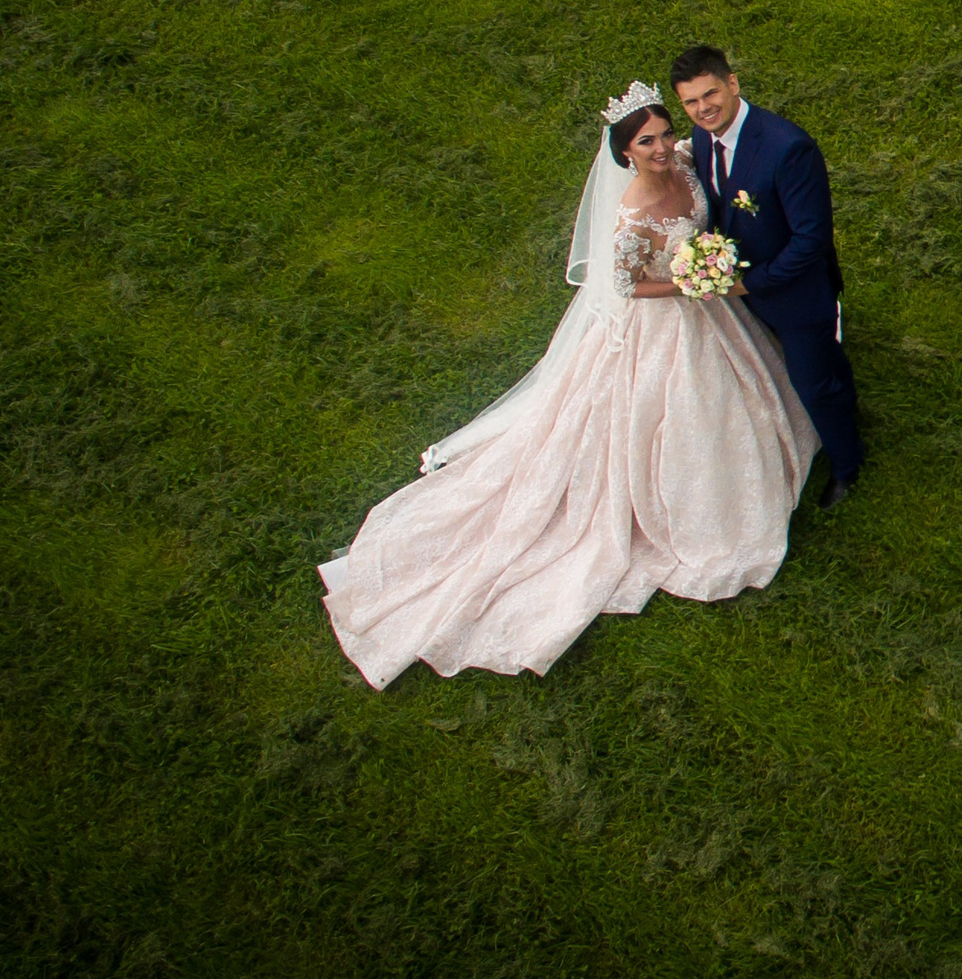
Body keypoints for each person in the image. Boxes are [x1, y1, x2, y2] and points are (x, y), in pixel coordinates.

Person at [318, 83, 818, 690]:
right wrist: (693, 283)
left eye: (663, 134)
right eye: (646, 142)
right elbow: (628, 286)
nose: (662, 148)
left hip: (710, 311)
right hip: (664, 321)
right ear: (624, 153)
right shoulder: (632, 214)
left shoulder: (686, 160)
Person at [670, 45, 865, 508]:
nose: (703, 109)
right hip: (744, 289)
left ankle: (847, 464)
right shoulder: (701, 139)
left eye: (711, 93)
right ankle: (846, 398)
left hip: (799, 294)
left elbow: (810, 240)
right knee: (820, 368)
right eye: (691, 102)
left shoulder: (788, 147)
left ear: (733, 83)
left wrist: (749, 284)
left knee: (812, 384)